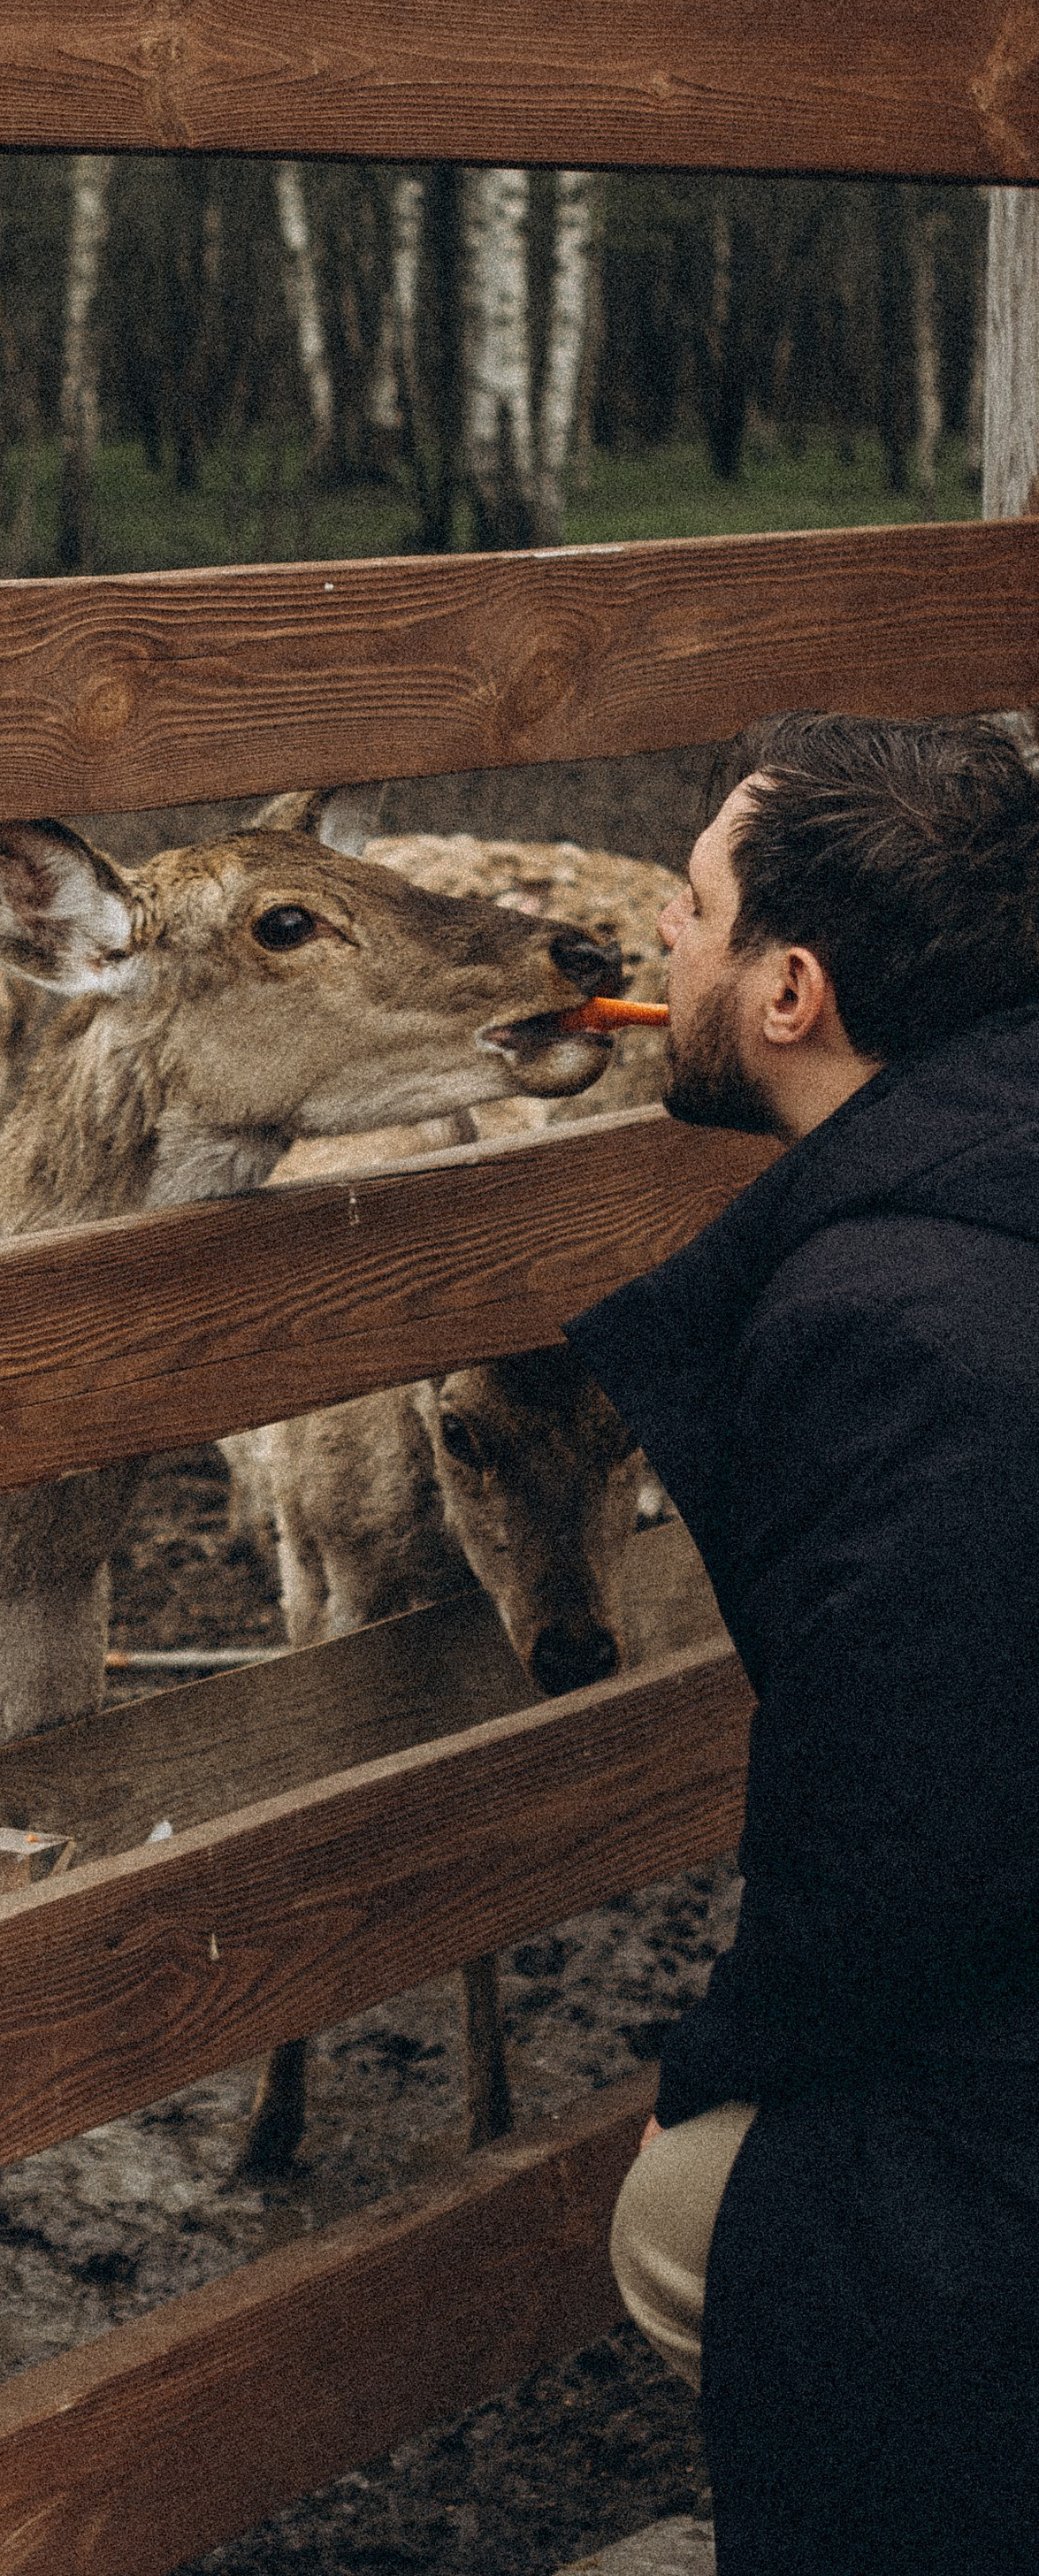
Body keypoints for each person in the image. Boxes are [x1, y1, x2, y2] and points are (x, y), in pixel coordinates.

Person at [568, 712, 1039, 2576]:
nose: (654, 947)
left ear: (785, 988)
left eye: (684, 908)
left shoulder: (892, 1327)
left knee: (688, 2215)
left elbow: (900, 1844)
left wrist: (717, 2060)